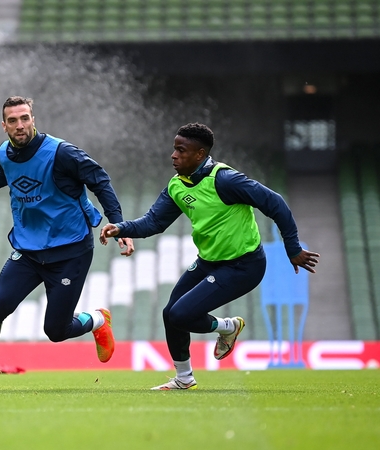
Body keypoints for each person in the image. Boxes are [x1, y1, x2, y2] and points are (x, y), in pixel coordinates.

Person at [99, 122, 320, 390]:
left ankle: (227, 327)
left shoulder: (225, 180)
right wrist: (121, 228)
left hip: (244, 266)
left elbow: (275, 203)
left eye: (181, 150)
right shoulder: (177, 186)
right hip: (208, 262)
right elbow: (154, 222)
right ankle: (183, 378)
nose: (174, 155)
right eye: (174, 149)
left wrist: (293, 247)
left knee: (180, 314)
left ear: (200, 154)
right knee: (170, 313)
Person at [0, 96, 135, 391]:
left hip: (70, 251)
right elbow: (3, 174)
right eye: (13, 120)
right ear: (3, 125)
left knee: (56, 331)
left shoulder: (62, 153)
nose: (20, 125)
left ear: (34, 119)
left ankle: (96, 319)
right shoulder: (4, 152)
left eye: (25, 118)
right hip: (29, 251)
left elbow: (100, 180)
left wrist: (118, 224)